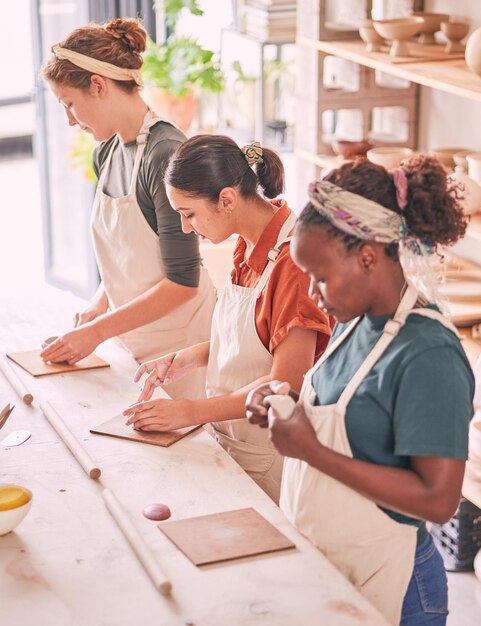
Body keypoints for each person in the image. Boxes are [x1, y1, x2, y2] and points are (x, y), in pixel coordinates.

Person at [245, 156, 474, 624]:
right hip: (333, 564)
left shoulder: (427, 354)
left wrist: (312, 451)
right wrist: (280, 403)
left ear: (368, 257)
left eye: (320, 278)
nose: (312, 294)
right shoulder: (358, 320)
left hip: (397, 584)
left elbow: (439, 500)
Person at [123, 135, 332, 502]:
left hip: (272, 456)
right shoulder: (246, 242)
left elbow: (285, 383)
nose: (186, 228)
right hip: (237, 443)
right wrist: (188, 357)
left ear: (227, 200)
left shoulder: (295, 265)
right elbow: (255, 341)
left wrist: (188, 412)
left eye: (188, 214)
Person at [40, 18, 215, 399]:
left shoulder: (165, 155)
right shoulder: (106, 151)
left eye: (69, 104)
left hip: (180, 350)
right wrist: (97, 305)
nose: (70, 120)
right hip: (132, 342)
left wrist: (98, 331)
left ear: (98, 86)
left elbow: (183, 283)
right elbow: (127, 253)